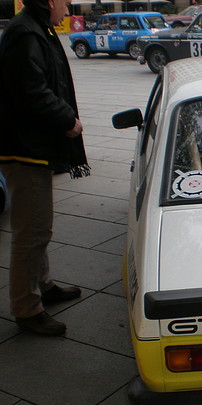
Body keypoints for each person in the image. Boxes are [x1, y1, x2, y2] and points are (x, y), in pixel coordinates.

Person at [0, 0, 89, 336]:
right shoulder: (26, 33)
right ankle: (27, 308)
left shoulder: (36, 28)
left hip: (32, 147)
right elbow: (31, 92)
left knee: (38, 226)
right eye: (65, 3)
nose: (67, 10)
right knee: (32, 232)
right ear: (50, 1)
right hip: (25, 150)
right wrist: (67, 119)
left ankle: (44, 285)